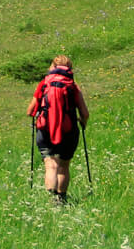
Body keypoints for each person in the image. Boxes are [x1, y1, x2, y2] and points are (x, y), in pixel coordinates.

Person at [27, 56, 88, 204]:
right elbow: (85, 113)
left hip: (45, 130)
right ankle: (61, 200)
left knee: (50, 165)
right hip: (68, 130)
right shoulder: (72, 86)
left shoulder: (44, 84)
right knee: (63, 165)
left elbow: (30, 111)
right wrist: (82, 123)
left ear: (52, 67)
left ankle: (50, 199)